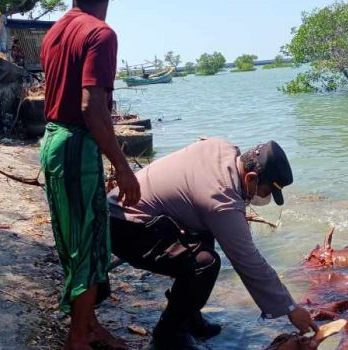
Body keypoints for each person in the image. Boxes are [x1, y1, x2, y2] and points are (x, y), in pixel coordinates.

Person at [108, 138, 319, 350]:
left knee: (205, 233)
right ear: (251, 177)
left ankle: (190, 317)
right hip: (125, 226)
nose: (265, 199)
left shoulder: (221, 149)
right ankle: (168, 335)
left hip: (129, 211)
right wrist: (290, 307)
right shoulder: (222, 200)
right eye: (266, 192)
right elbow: (249, 262)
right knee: (204, 264)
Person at [39, 0, 141, 349]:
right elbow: (91, 107)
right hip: (77, 146)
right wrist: (122, 165)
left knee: (72, 243)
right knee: (89, 244)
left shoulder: (54, 31)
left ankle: (90, 325)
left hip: (52, 140)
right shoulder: (100, 33)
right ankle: (78, 338)